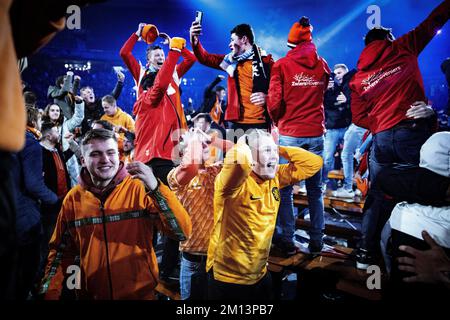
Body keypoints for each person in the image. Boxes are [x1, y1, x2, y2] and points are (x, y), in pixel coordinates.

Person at [349, 0, 450, 269]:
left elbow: (358, 117)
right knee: (420, 190)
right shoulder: (402, 46)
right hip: (411, 133)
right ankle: (412, 256)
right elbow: (433, 22)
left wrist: (381, 121)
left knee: (377, 194)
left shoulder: (359, 77)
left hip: (380, 139)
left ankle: (365, 253)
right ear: (388, 38)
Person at [39, 129, 192, 300]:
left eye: (110, 152)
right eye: (95, 154)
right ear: (83, 160)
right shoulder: (73, 199)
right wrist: (50, 293)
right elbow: (60, 254)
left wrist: (156, 187)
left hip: (140, 296)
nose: (105, 160)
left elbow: (181, 232)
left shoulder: (140, 188)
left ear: (118, 155)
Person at [207, 129, 323, 299]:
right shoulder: (232, 184)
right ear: (251, 158)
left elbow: (314, 162)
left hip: (260, 274)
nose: (275, 157)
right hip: (228, 278)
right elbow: (241, 159)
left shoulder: (276, 177)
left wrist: (276, 148)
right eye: (267, 151)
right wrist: (245, 142)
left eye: (275, 151)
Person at [267, 17, 330, 255]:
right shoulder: (322, 63)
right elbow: (323, 92)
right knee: (316, 190)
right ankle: (317, 240)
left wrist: (277, 120)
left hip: (290, 134)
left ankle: (287, 240)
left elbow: (273, 101)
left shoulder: (281, 65)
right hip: (315, 133)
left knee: (284, 190)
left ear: (290, 44)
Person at [167, 128, 233, 300]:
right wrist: (195, 139)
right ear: (182, 153)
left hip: (219, 260)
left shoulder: (216, 170)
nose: (201, 146)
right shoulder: (175, 177)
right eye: (195, 146)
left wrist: (213, 141)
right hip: (193, 261)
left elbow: (240, 155)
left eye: (203, 145)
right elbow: (190, 165)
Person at [190, 21, 273, 133]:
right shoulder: (230, 61)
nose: (230, 44)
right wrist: (195, 42)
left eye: (232, 40)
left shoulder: (266, 62)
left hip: (259, 123)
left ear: (244, 39)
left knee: (257, 151)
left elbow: (282, 90)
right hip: (236, 123)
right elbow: (205, 58)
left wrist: (268, 98)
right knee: (231, 150)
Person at [11, 106, 58, 299]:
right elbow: (33, 185)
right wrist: (57, 201)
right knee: (27, 270)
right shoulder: (30, 144)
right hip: (25, 219)